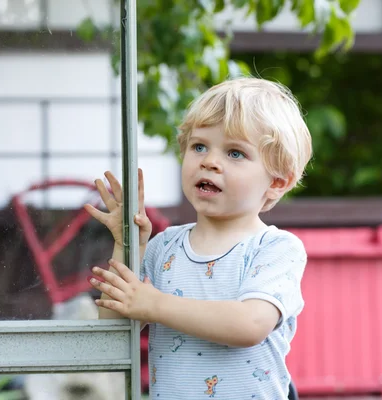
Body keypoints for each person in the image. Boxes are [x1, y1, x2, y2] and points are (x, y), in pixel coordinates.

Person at [85, 77, 312, 399]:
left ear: (277, 182)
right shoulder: (164, 247)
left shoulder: (275, 248)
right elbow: (114, 330)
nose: (209, 161)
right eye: (199, 146)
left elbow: (250, 324)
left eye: (235, 153)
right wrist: (128, 245)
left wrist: (154, 304)